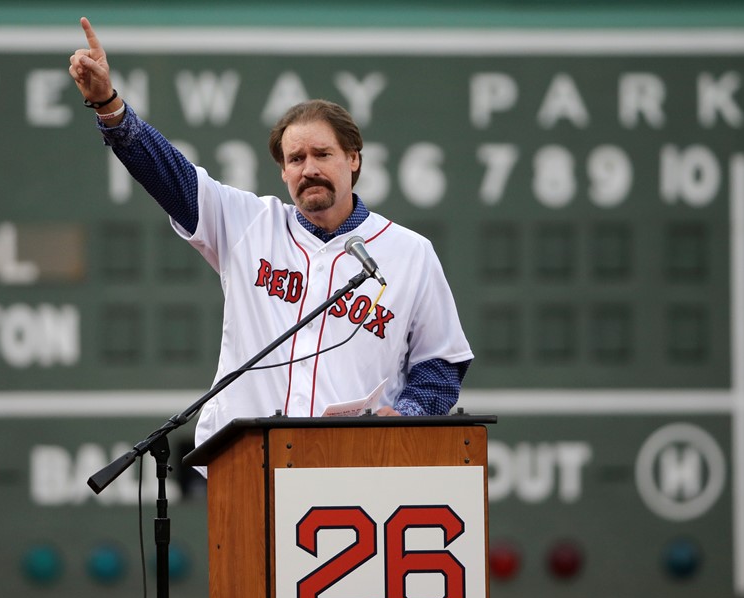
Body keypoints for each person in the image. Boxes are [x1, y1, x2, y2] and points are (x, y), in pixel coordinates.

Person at [68, 17, 473, 476]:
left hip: (361, 471)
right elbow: (170, 176)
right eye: (295, 159)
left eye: (322, 154)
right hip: (246, 467)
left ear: (353, 159)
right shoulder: (249, 224)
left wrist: (408, 416)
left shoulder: (409, 253)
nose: (309, 168)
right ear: (283, 172)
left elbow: (439, 366)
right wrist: (108, 105)